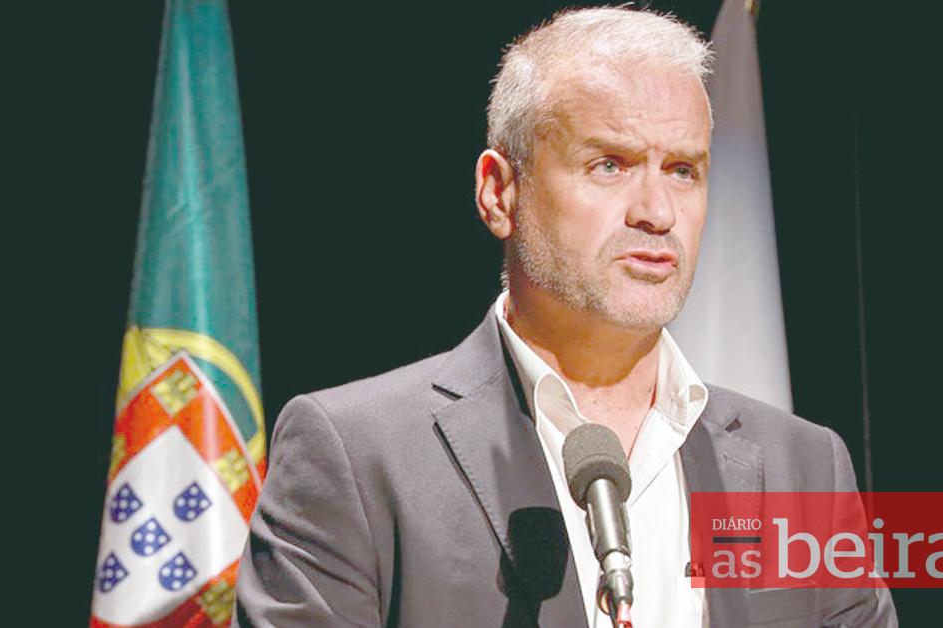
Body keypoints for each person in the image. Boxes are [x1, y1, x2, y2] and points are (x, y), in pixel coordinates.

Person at [233, 7, 896, 627]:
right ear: (499, 192)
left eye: (683, 170)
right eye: (610, 165)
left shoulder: (804, 467)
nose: (657, 212)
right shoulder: (356, 456)